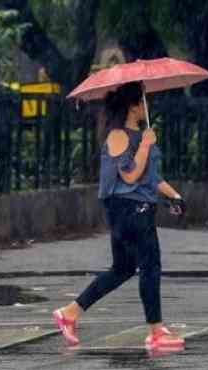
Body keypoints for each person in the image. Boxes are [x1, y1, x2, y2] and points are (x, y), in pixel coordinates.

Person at [53, 82, 187, 350]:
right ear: (133, 105)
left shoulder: (138, 134)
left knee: (123, 268)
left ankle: (69, 313)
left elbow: (150, 176)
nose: (146, 106)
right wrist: (146, 145)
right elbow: (129, 174)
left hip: (139, 208)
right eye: (143, 101)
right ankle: (156, 331)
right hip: (128, 210)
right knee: (150, 266)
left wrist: (174, 196)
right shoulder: (118, 136)